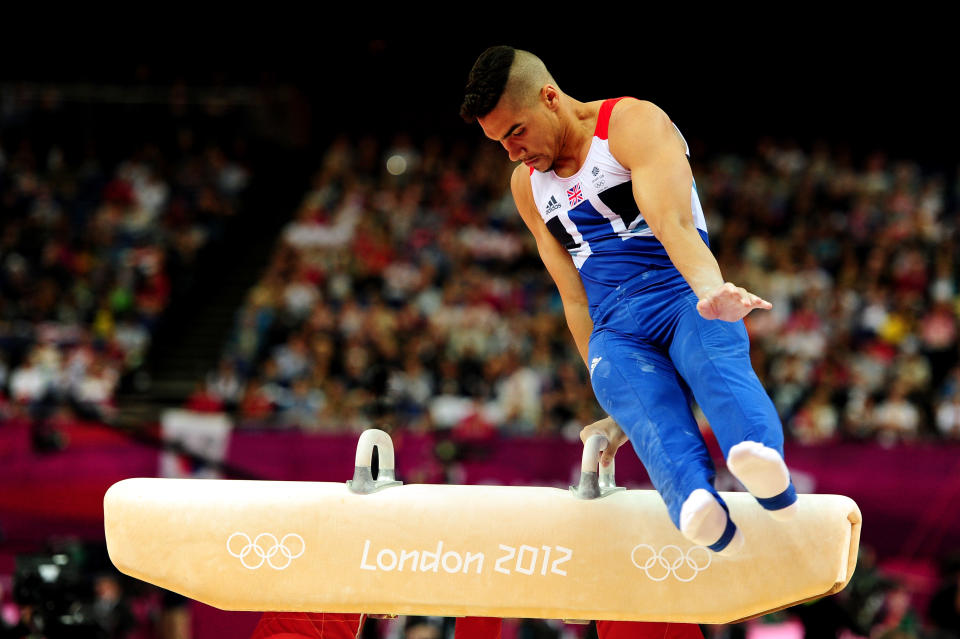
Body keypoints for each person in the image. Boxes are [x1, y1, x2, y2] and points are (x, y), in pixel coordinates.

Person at [460, 45, 797, 555]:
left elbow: (674, 223)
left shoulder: (630, 123)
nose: (512, 152)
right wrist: (605, 379)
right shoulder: (526, 187)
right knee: (642, 406)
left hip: (681, 293)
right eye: (499, 142)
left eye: (516, 132)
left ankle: (763, 467)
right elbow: (573, 297)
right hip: (616, 328)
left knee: (714, 362)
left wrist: (711, 289)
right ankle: (698, 508)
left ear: (550, 97)